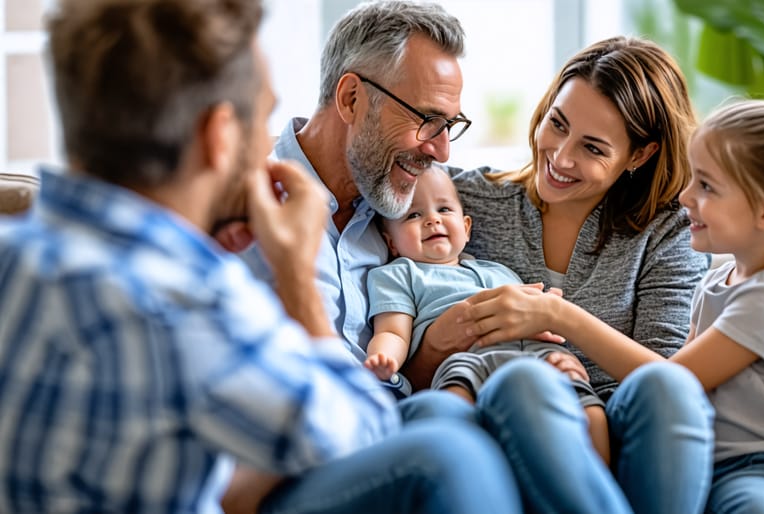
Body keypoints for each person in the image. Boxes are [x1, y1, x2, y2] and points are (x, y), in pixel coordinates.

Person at [0, 1, 522, 513]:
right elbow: (356, 427)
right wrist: (295, 274)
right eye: (263, 117)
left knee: (442, 418)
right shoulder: (184, 302)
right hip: (301, 444)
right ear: (219, 137)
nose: (270, 144)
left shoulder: (14, 254)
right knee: (447, 455)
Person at [222, 3, 644, 513]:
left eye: (452, 125)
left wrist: (442, 350)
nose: (442, 151)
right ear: (352, 97)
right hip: (290, 456)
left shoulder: (397, 215)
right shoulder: (237, 201)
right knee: (451, 449)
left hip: (392, 428)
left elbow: (398, 375)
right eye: (428, 120)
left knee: (488, 412)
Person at [457, 98, 764, 513]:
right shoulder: (715, 282)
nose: (686, 197)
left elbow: (674, 379)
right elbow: (683, 384)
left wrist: (562, 316)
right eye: (693, 178)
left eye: (706, 185)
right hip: (743, 467)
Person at [406, 36, 716, 513]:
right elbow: (412, 367)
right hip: (516, 427)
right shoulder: (464, 204)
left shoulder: (669, 231)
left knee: (666, 388)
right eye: (558, 123)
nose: (561, 157)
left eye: (592, 147)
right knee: (525, 384)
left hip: (624, 437)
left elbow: (667, 376)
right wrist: (436, 344)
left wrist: (558, 316)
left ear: (639, 155)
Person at [365, 166, 611, 462]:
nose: (432, 219)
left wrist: (556, 330)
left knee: (592, 411)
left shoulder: (499, 271)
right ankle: (467, 466)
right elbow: (392, 331)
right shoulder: (398, 274)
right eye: (413, 215)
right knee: (453, 400)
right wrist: (384, 360)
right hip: (467, 359)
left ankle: (599, 480)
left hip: (535, 354)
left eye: (444, 208)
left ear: (466, 228)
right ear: (391, 243)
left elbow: (540, 315)